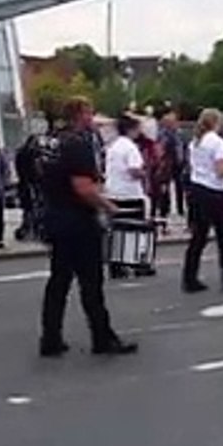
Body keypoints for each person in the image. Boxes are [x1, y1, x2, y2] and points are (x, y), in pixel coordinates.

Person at [39, 96, 137, 358]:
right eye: (89, 112)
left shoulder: (50, 141)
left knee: (58, 281)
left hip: (54, 215)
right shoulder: (77, 144)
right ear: (80, 114)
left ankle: (50, 338)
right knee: (91, 282)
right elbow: (82, 188)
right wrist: (107, 206)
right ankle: (102, 338)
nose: (92, 118)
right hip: (78, 220)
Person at [182, 109, 223, 294]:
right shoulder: (217, 143)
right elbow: (221, 170)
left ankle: (190, 277)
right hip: (215, 192)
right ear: (217, 122)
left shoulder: (195, 142)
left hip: (198, 189)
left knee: (198, 238)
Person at [104, 114, 151, 279]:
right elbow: (134, 170)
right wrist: (145, 174)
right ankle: (137, 264)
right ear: (131, 129)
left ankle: (117, 265)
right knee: (135, 230)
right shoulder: (131, 148)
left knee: (118, 230)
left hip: (113, 192)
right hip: (130, 193)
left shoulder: (113, 146)